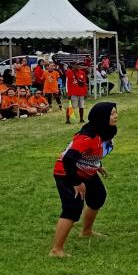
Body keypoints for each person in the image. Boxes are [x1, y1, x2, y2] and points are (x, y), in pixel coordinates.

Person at [49, 101, 119, 257]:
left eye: (115, 112)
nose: (116, 116)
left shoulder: (106, 131)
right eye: (112, 113)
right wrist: (76, 183)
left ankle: (86, 232)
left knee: (97, 197)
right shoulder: (88, 136)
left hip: (84, 170)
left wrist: (97, 165)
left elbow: (91, 153)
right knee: (72, 208)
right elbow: (68, 159)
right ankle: (56, 250)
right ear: (101, 117)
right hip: (67, 173)